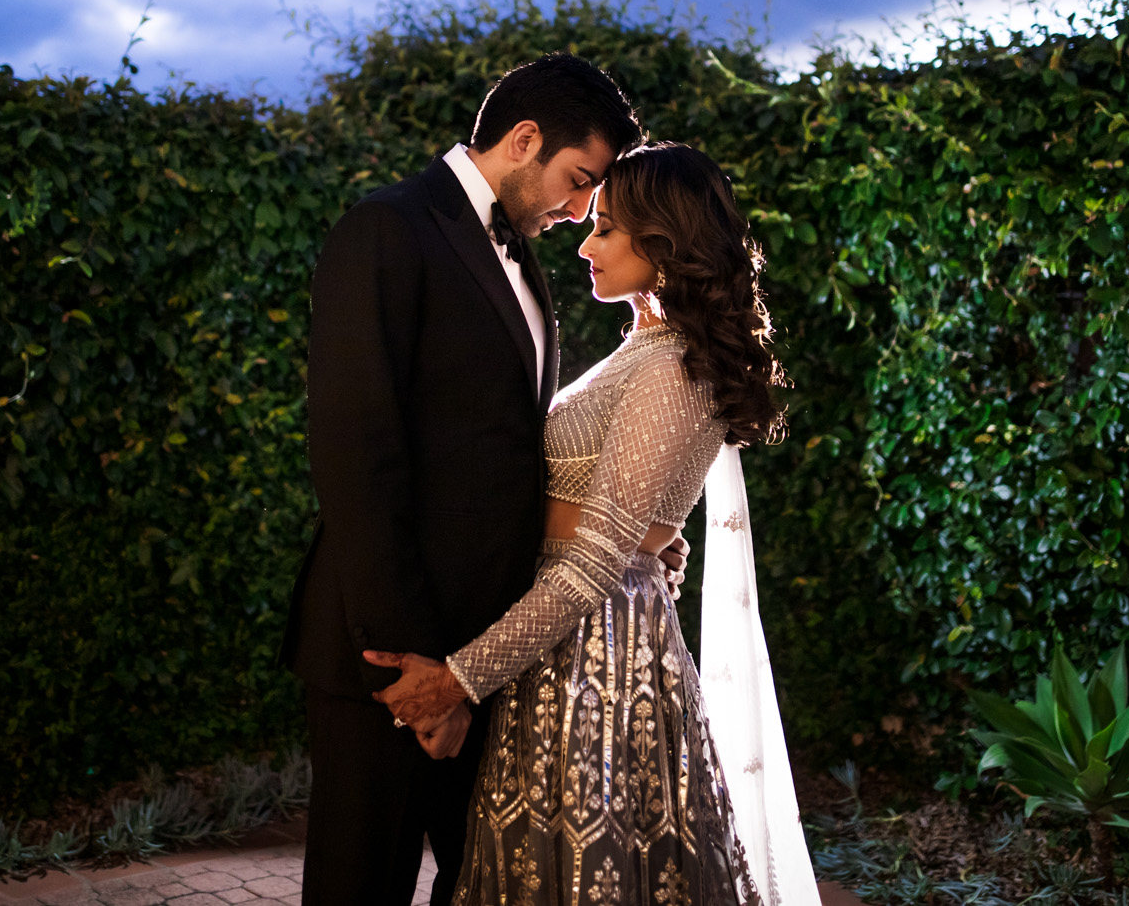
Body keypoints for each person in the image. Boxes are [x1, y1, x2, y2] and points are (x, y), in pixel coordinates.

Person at [366, 144, 818, 905]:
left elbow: (593, 563)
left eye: (606, 227)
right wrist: (650, 537)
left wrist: (458, 680)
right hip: (566, 652)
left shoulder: (673, 366)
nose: (583, 242)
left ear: (666, 239)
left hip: (596, 668)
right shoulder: (647, 348)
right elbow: (622, 520)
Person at [283, 53, 663, 906]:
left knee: (480, 884)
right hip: (388, 655)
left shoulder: (521, 263)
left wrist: (635, 536)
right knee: (359, 887)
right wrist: (415, 676)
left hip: (490, 657)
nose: (577, 213)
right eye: (577, 182)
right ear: (524, 139)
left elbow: (505, 455)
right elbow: (357, 458)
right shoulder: (386, 228)